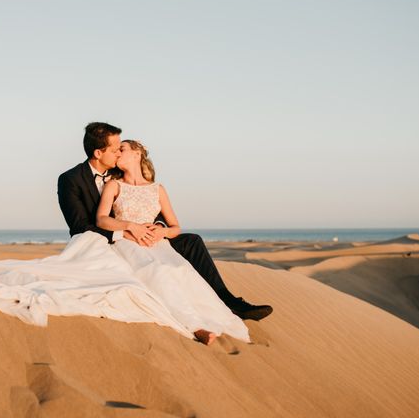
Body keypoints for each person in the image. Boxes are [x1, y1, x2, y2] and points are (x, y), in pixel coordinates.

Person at [58, 122, 273, 321]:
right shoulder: (71, 179)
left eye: (120, 149)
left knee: (192, 241)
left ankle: (229, 301)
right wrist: (126, 232)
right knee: (159, 269)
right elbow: (80, 226)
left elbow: (147, 206)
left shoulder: (119, 172)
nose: (118, 153)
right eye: (115, 149)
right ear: (98, 153)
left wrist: (159, 228)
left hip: (146, 236)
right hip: (106, 241)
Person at [95, 139, 250, 344]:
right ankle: (195, 326)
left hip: (158, 245)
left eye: (121, 149)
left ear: (136, 154)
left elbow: (176, 227)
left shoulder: (157, 189)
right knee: (158, 273)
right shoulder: (114, 185)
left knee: (182, 271)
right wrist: (129, 226)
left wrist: (162, 233)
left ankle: (217, 318)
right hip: (130, 243)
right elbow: (102, 219)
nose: (116, 153)